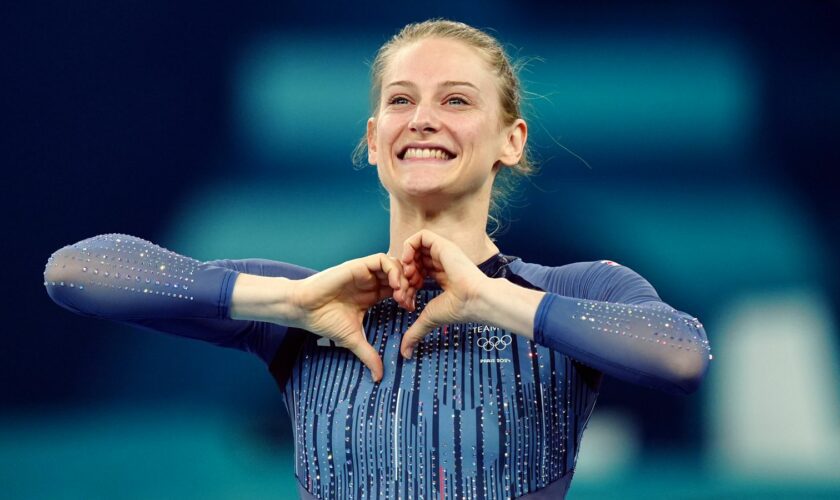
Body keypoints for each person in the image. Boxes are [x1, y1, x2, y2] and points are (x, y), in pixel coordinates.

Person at [43, 19, 712, 500]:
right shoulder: (306, 307)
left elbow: (680, 355)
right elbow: (76, 274)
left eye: (455, 99)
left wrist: (489, 297)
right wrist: (287, 303)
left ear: (511, 140)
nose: (422, 118)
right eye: (400, 101)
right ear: (372, 139)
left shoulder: (576, 287)